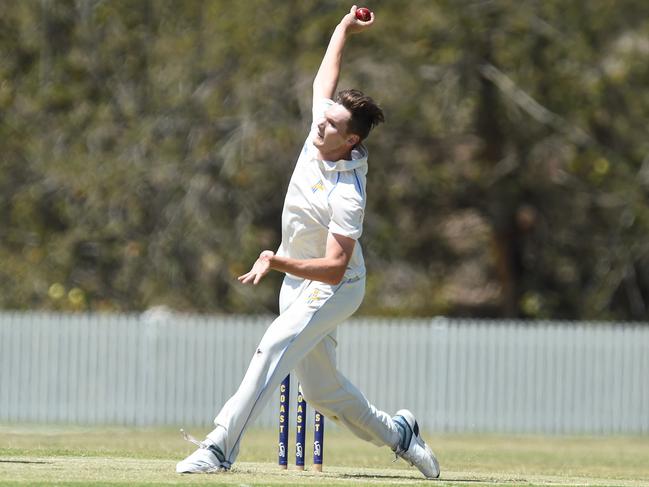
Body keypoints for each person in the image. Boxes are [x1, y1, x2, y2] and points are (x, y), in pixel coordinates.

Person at [176, 5, 440, 479]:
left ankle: (218, 448)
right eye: (324, 118)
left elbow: (336, 267)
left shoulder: (348, 195)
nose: (319, 124)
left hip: (337, 285)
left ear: (352, 142)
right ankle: (401, 433)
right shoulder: (323, 127)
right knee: (322, 393)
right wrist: (343, 28)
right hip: (300, 280)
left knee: (273, 346)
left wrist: (278, 260)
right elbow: (327, 76)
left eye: (332, 125)